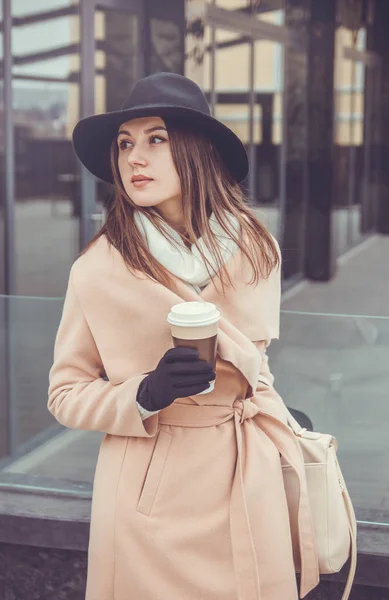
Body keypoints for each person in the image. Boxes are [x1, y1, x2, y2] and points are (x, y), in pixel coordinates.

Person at [48, 72, 319, 600]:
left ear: (197, 151)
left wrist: (269, 405)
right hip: (151, 492)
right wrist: (144, 394)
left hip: (246, 472)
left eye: (156, 139)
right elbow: (64, 394)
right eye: (125, 143)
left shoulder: (256, 247)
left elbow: (256, 362)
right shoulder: (99, 269)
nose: (133, 158)